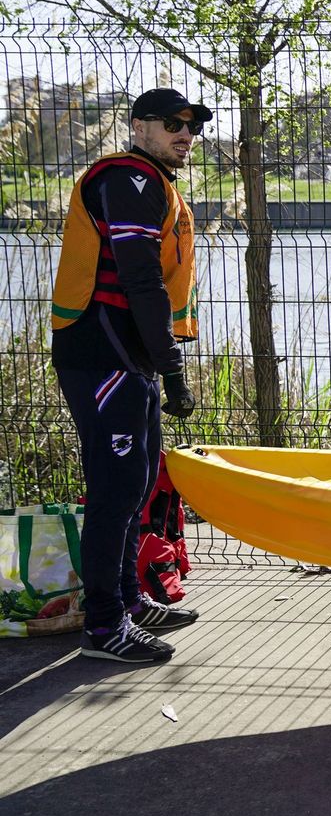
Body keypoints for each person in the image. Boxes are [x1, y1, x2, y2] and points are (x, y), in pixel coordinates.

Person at [50, 88, 208, 664]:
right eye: (172, 124)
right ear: (138, 127)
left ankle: (129, 601)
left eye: (192, 127)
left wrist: (158, 364)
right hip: (101, 352)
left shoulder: (154, 183)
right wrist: (173, 370)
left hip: (128, 355)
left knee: (135, 486)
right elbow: (140, 281)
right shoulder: (128, 179)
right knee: (115, 491)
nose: (184, 135)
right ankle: (103, 626)